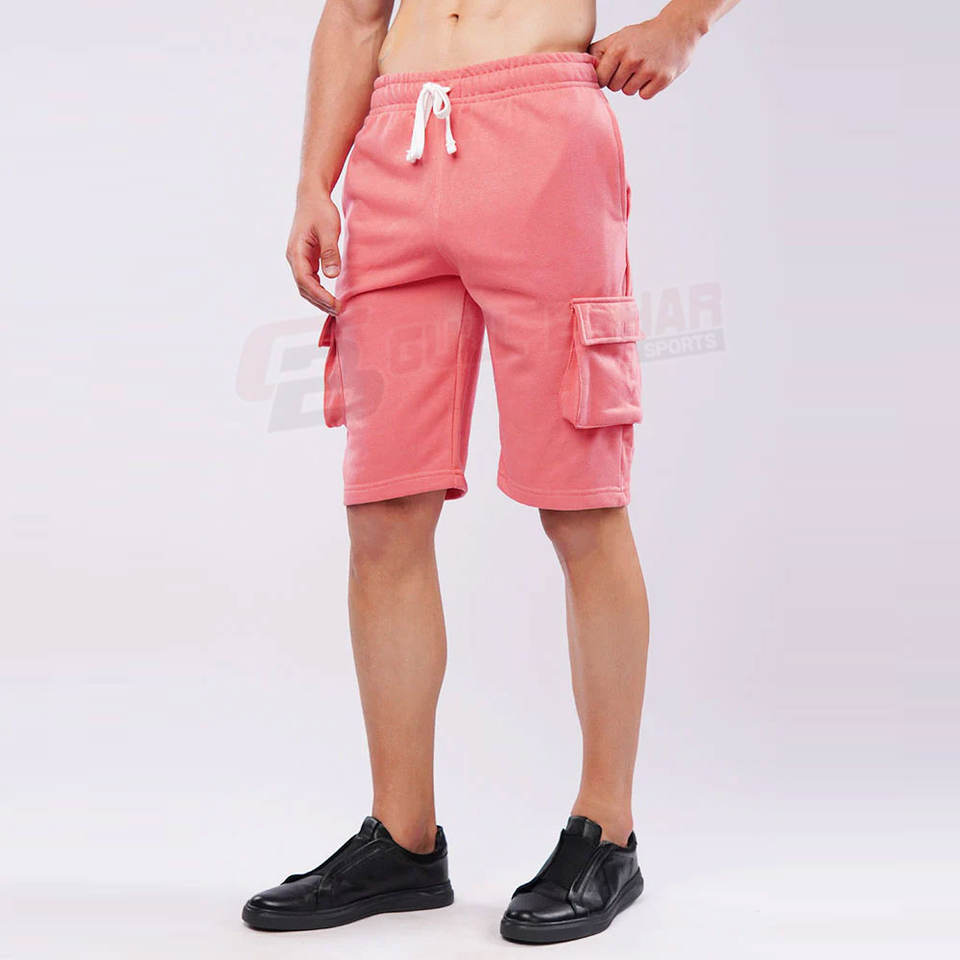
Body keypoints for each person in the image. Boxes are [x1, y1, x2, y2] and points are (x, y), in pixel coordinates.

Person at [243, 0, 740, 944]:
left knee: (580, 501)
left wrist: (684, 23)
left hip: (543, 135)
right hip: (395, 145)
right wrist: (314, 180)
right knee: (383, 507)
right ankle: (401, 838)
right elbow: (354, 16)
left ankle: (607, 832)